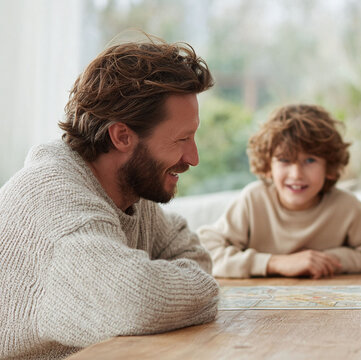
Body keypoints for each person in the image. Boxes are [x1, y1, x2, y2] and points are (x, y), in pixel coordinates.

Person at [0, 36, 219, 359]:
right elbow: (137, 301)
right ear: (122, 136)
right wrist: (201, 290)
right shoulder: (57, 204)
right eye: (182, 138)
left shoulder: (127, 194)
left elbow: (188, 251)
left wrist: (180, 287)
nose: (193, 157)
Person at [197, 104, 361, 278]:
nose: (296, 174)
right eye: (284, 160)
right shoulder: (253, 200)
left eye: (310, 160)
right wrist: (274, 263)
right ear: (268, 166)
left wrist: (331, 259)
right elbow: (204, 252)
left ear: (329, 166)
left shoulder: (346, 207)